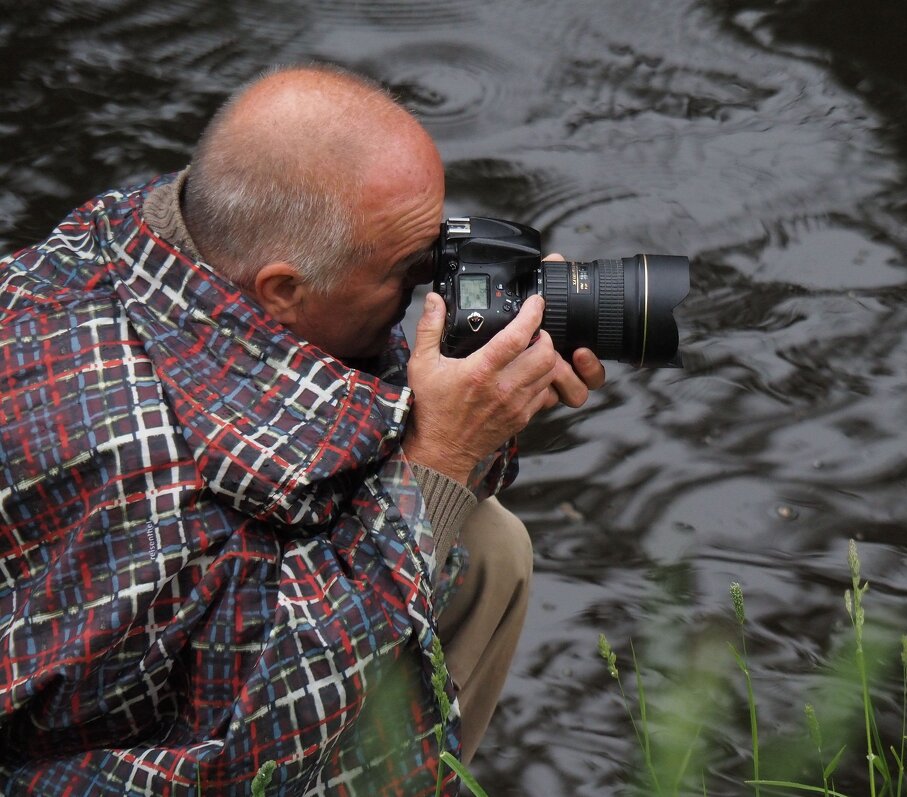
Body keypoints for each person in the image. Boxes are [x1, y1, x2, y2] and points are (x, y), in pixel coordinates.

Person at [0, 63, 604, 795]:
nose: (431, 289)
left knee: (485, 543)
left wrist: (484, 395)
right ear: (282, 290)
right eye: (409, 273)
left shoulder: (121, 245)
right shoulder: (160, 485)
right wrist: (442, 454)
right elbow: (261, 747)